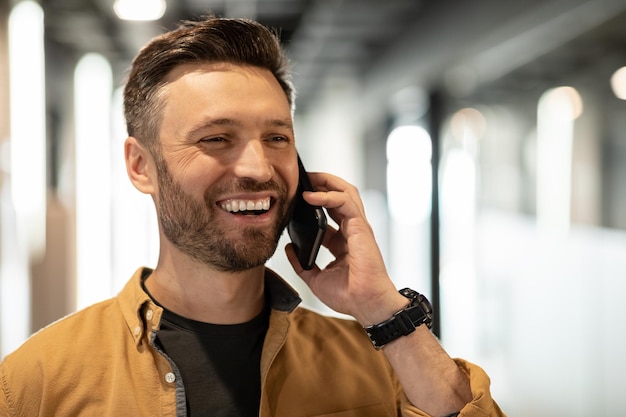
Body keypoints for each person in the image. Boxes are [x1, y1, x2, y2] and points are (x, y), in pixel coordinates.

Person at [0, 15, 505, 417]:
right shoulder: (37, 383)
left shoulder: (380, 363)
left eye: (277, 138)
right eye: (216, 138)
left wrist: (384, 310)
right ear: (140, 165)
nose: (258, 167)